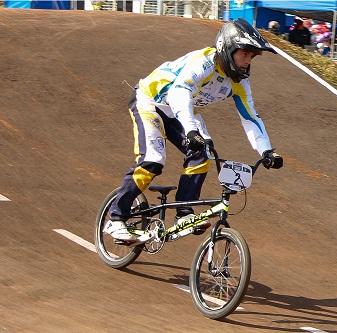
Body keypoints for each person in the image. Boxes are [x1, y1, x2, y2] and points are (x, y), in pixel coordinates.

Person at [104, 19, 284, 243]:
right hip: (151, 102)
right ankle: (116, 218)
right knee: (154, 159)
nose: (248, 61)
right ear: (228, 49)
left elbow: (250, 117)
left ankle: (183, 213)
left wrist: (266, 151)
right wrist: (190, 130)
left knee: (203, 153)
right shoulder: (204, 62)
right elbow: (179, 92)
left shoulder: (239, 81)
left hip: (181, 112)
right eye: (245, 53)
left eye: (252, 56)